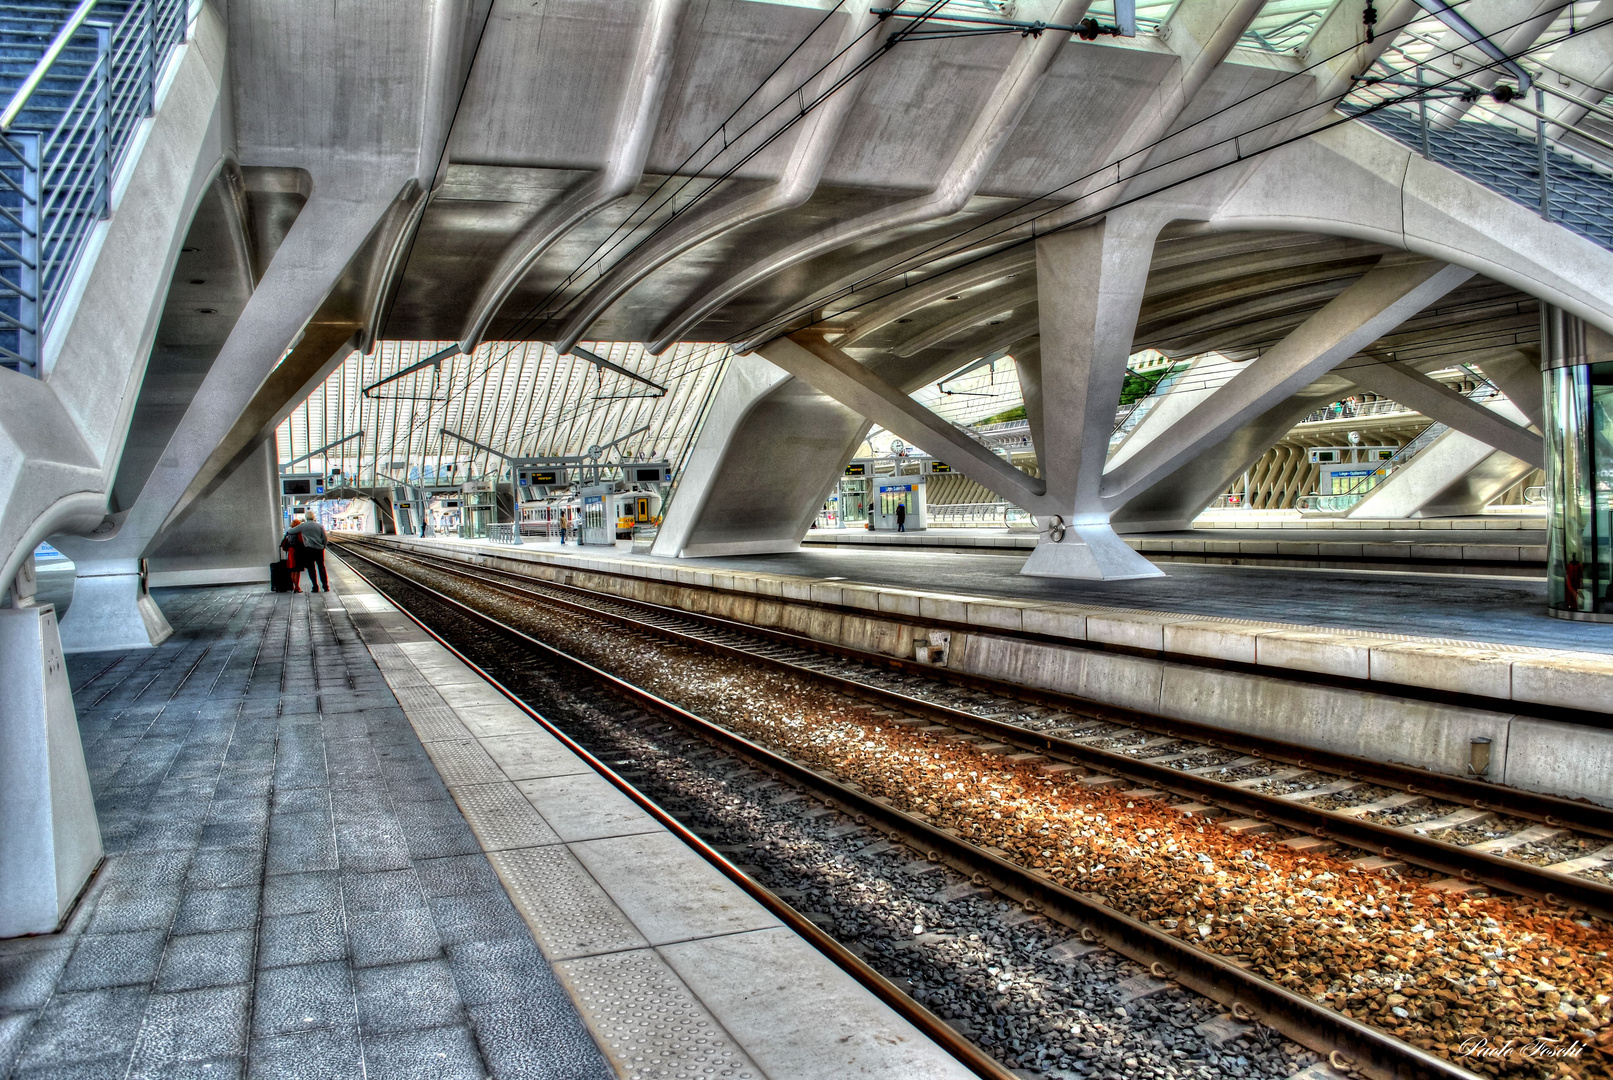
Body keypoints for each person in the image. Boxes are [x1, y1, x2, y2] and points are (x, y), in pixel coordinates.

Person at [291, 512, 329, 593]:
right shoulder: (319, 526)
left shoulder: (303, 526)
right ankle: (325, 586)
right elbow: (325, 538)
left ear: (306, 517)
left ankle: (315, 586)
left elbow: (291, 531)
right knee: (321, 567)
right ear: (313, 517)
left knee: (311, 568)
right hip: (319, 550)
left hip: (308, 550)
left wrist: (289, 528)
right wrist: (324, 546)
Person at [280, 517, 305, 594]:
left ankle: (294, 586)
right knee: (297, 570)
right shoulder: (298, 533)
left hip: (290, 552)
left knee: (292, 570)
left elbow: (284, 542)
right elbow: (301, 542)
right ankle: (297, 587)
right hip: (297, 552)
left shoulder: (288, 532)